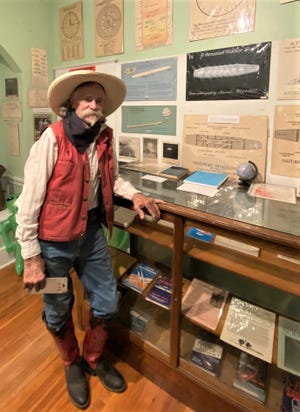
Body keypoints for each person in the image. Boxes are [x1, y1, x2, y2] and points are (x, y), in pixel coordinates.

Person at [16, 70, 164, 409]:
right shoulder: (51, 140)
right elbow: (29, 201)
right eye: (86, 98)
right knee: (56, 304)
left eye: (98, 100)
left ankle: (94, 359)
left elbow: (112, 179)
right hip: (53, 244)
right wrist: (31, 256)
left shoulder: (104, 137)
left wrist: (135, 194)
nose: (93, 105)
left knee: (107, 301)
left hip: (91, 236)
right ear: (71, 104)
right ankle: (71, 363)